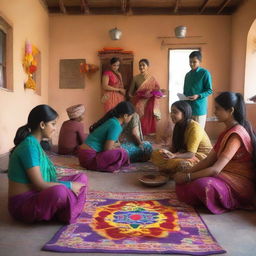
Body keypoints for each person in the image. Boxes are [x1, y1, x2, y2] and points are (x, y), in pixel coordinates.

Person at [174, 92, 256, 214]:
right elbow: (208, 160)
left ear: (230, 111)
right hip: (224, 174)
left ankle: (230, 200)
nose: (214, 112)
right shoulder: (226, 132)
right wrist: (185, 173)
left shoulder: (236, 134)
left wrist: (187, 177)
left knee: (202, 185)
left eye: (217, 109)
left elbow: (215, 170)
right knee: (187, 180)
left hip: (239, 182)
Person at [8, 105, 88, 224]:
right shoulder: (29, 147)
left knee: (82, 178)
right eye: (53, 124)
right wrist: (69, 185)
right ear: (42, 125)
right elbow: (39, 184)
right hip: (23, 204)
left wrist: (69, 185)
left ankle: (68, 208)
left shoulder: (34, 143)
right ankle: (70, 210)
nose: (55, 128)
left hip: (37, 193)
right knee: (60, 191)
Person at [151, 100, 212, 175]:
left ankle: (176, 170)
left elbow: (191, 154)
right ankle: (172, 169)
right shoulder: (178, 125)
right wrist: (167, 153)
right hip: (183, 152)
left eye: (175, 112)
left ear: (184, 113)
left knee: (179, 163)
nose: (172, 115)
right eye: (171, 112)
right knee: (156, 153)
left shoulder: (195, 127)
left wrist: (174, 156)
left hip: (200, 156)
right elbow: (174, 148)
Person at [78, 101, 134, 172]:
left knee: (120, 150)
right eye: (131, 116)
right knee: (122, 153)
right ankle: (109, 167)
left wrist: (115, 145)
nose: (131, 119)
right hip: (89, 159)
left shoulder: (111, 121)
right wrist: (116, 146)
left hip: (82, 157)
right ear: (125, 116)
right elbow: (107, 149)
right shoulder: (116, 125)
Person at [128, 58, 164, 135]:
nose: (141, 67)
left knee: (149, 121)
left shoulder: (152, 78)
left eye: (143, 65)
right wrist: (138, 96)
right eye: (140, 65)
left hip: (150, 103)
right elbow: (130, 93)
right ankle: (139, 137)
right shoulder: (135, 78)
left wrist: (154, 93)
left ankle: (148, 138)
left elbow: (158, 90)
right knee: (139, 121)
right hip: (139, 103)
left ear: (148, 67)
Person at [183, 51, 212, 128]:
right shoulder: (187, 75)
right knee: (189, 132)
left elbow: (209, 90)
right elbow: (185, 92)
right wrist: (183, 97)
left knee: (198, 134)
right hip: (188, 109)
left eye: (194, 62)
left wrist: (198, 95)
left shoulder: (205, 73)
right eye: (190, 62)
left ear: (200, 62)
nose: (191, 64)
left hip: (199, 109)